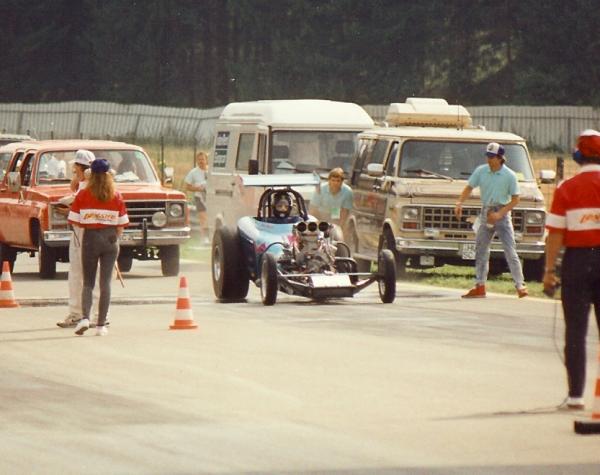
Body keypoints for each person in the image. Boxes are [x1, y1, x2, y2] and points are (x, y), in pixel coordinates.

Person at [543, 129, 600, 410]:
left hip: (577, 262)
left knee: (576, 330)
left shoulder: (567, 187)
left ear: (578, 156)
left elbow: (555, 233)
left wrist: (549, 270)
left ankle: (576, 395)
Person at [454, 142, 528, 298]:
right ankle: (480, 285)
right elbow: (469, 187)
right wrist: (460, 202)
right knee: (481, 249)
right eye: (488, 156)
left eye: (492, 156)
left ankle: (520, 285)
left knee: (510, 249)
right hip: (486, 211)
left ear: (500, 158)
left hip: (502, 213)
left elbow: (515, 199)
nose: (489, 159)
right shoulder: (481, 171)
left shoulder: (509, 175)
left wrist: (500, 213)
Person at [68, 158, 129, 336]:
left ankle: (85, 317)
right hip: (110, 239)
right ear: (109, 175)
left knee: (88, 282)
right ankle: (101, 325)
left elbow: (75, 221)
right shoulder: (116, 195)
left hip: (90, 238)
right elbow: (121, 224)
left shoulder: (83, 194)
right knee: (105, 283)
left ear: (91, 175)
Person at [56, 149, 102, 328]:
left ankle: (79, 314)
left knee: (78, 274)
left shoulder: (87, 186)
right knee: (94, 274)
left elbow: (81, 207)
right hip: (96, 234)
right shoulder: (96, 185)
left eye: (76, 170)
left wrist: (69, 209)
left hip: (83, 232)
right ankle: (97, 314)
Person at [184, 151, 209, 245]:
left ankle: (211, 236)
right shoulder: (193, 172)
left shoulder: (210, 171)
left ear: (206, 160)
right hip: (199, 198)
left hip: (210, 197)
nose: (200, 161)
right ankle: (204, 238)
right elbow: (187, 186)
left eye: (202, 159)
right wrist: (197, 188)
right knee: (203, 217)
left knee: (211, 217)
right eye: (199, 160)